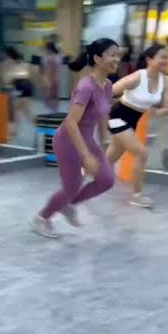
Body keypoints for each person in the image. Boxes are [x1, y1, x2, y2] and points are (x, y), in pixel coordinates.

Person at [30, 38, 120, 238]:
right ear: (97, 58)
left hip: (87, 139)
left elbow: (103, 116)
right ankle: (41, 219)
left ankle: (68, 204)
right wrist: (86, 155)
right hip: (68, 141)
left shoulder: (107, 85)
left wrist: (104, 143)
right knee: (71, 187)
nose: (117, 59)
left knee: (106, 180)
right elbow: (71, 122)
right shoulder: (86, 86)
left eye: (118, 55)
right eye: (112, 55)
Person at [106, 44, 168, 208]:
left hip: (133, 120)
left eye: (167, 58)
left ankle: (85, 170)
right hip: (117, 116)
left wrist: (156, 112)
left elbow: (167, 108)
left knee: (111, 158)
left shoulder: (165, 82)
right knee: (141, 152)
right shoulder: (137, 77)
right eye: (162, 57)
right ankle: (137, 196)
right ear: (150, 60)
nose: (166, 61)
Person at [0, 46, 34, 138]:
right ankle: (14, 131)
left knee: (18, 110)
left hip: (19, 85)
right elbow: (28, 73)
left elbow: (7, 79)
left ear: (8, 54)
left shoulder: (8, 62)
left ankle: (13, 131)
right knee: (20, 110)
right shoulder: (21, 62)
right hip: (27, 85)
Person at [42, 42, 62, 111]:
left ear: (50, 49)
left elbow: (53, 69)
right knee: (49, 94)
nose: (46, 50)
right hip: (50, 77)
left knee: (52, 94)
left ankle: (54, 109)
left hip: (53, 77)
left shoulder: (54, 57)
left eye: (46, 49)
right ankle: (52, 108)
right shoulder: (49, 56)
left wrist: (49, 79)